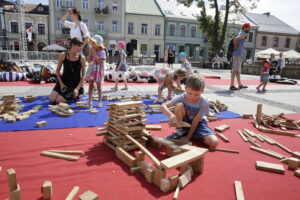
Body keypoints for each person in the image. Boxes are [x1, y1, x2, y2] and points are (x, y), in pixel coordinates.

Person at [161, 74, 218, 148]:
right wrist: (170, 115)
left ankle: (192, 133)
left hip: (198, 124)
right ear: (185, 88)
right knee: (179, 105)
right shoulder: (182, 96)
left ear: (202, 91)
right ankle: (180, 132)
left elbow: (195, 121)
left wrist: (188, 137)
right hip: (184, 123)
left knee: (214, 142)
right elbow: (163, 106)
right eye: (190, 93)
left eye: (197, 94)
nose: (192, 97)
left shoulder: (204, 102)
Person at [49, 38, 86, 104]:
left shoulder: (82, 58)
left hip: (74, 85)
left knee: (58, 101)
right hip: (63, 82)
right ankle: (70, 95)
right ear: (73, 45)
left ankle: (76, 95)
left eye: (81, 47)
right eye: (79, 47)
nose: (81, 49)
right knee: (52, 99)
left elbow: (84, 75)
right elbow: (57, 71)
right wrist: (61, 84)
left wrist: (77, 88)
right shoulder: (63, 55)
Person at [86, 35, 106, 108]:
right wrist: (90, 53)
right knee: (90, 86)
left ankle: (99, 101)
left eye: (94, 43)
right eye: (92, 43)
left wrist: (94, 53)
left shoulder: (102, 52)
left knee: (99, 87)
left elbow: (98, 60)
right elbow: (88, 61)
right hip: (91, 70)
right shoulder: (91, 50)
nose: (92, 45)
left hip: (98, 70)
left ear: (99, 43)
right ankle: (90, 100)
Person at [229, 23, 251, 90]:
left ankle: (240, 84)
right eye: (248, 28)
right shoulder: (242, 34)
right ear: (244, 28)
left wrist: (241, 50)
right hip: (237, 54)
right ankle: (231, 85)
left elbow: (238, 41)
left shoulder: (242, 33)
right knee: (234, 70)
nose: (249, 29)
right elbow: (235, 39)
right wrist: (235, 47)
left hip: (239, 53)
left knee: (238, 70)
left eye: (249, 28)